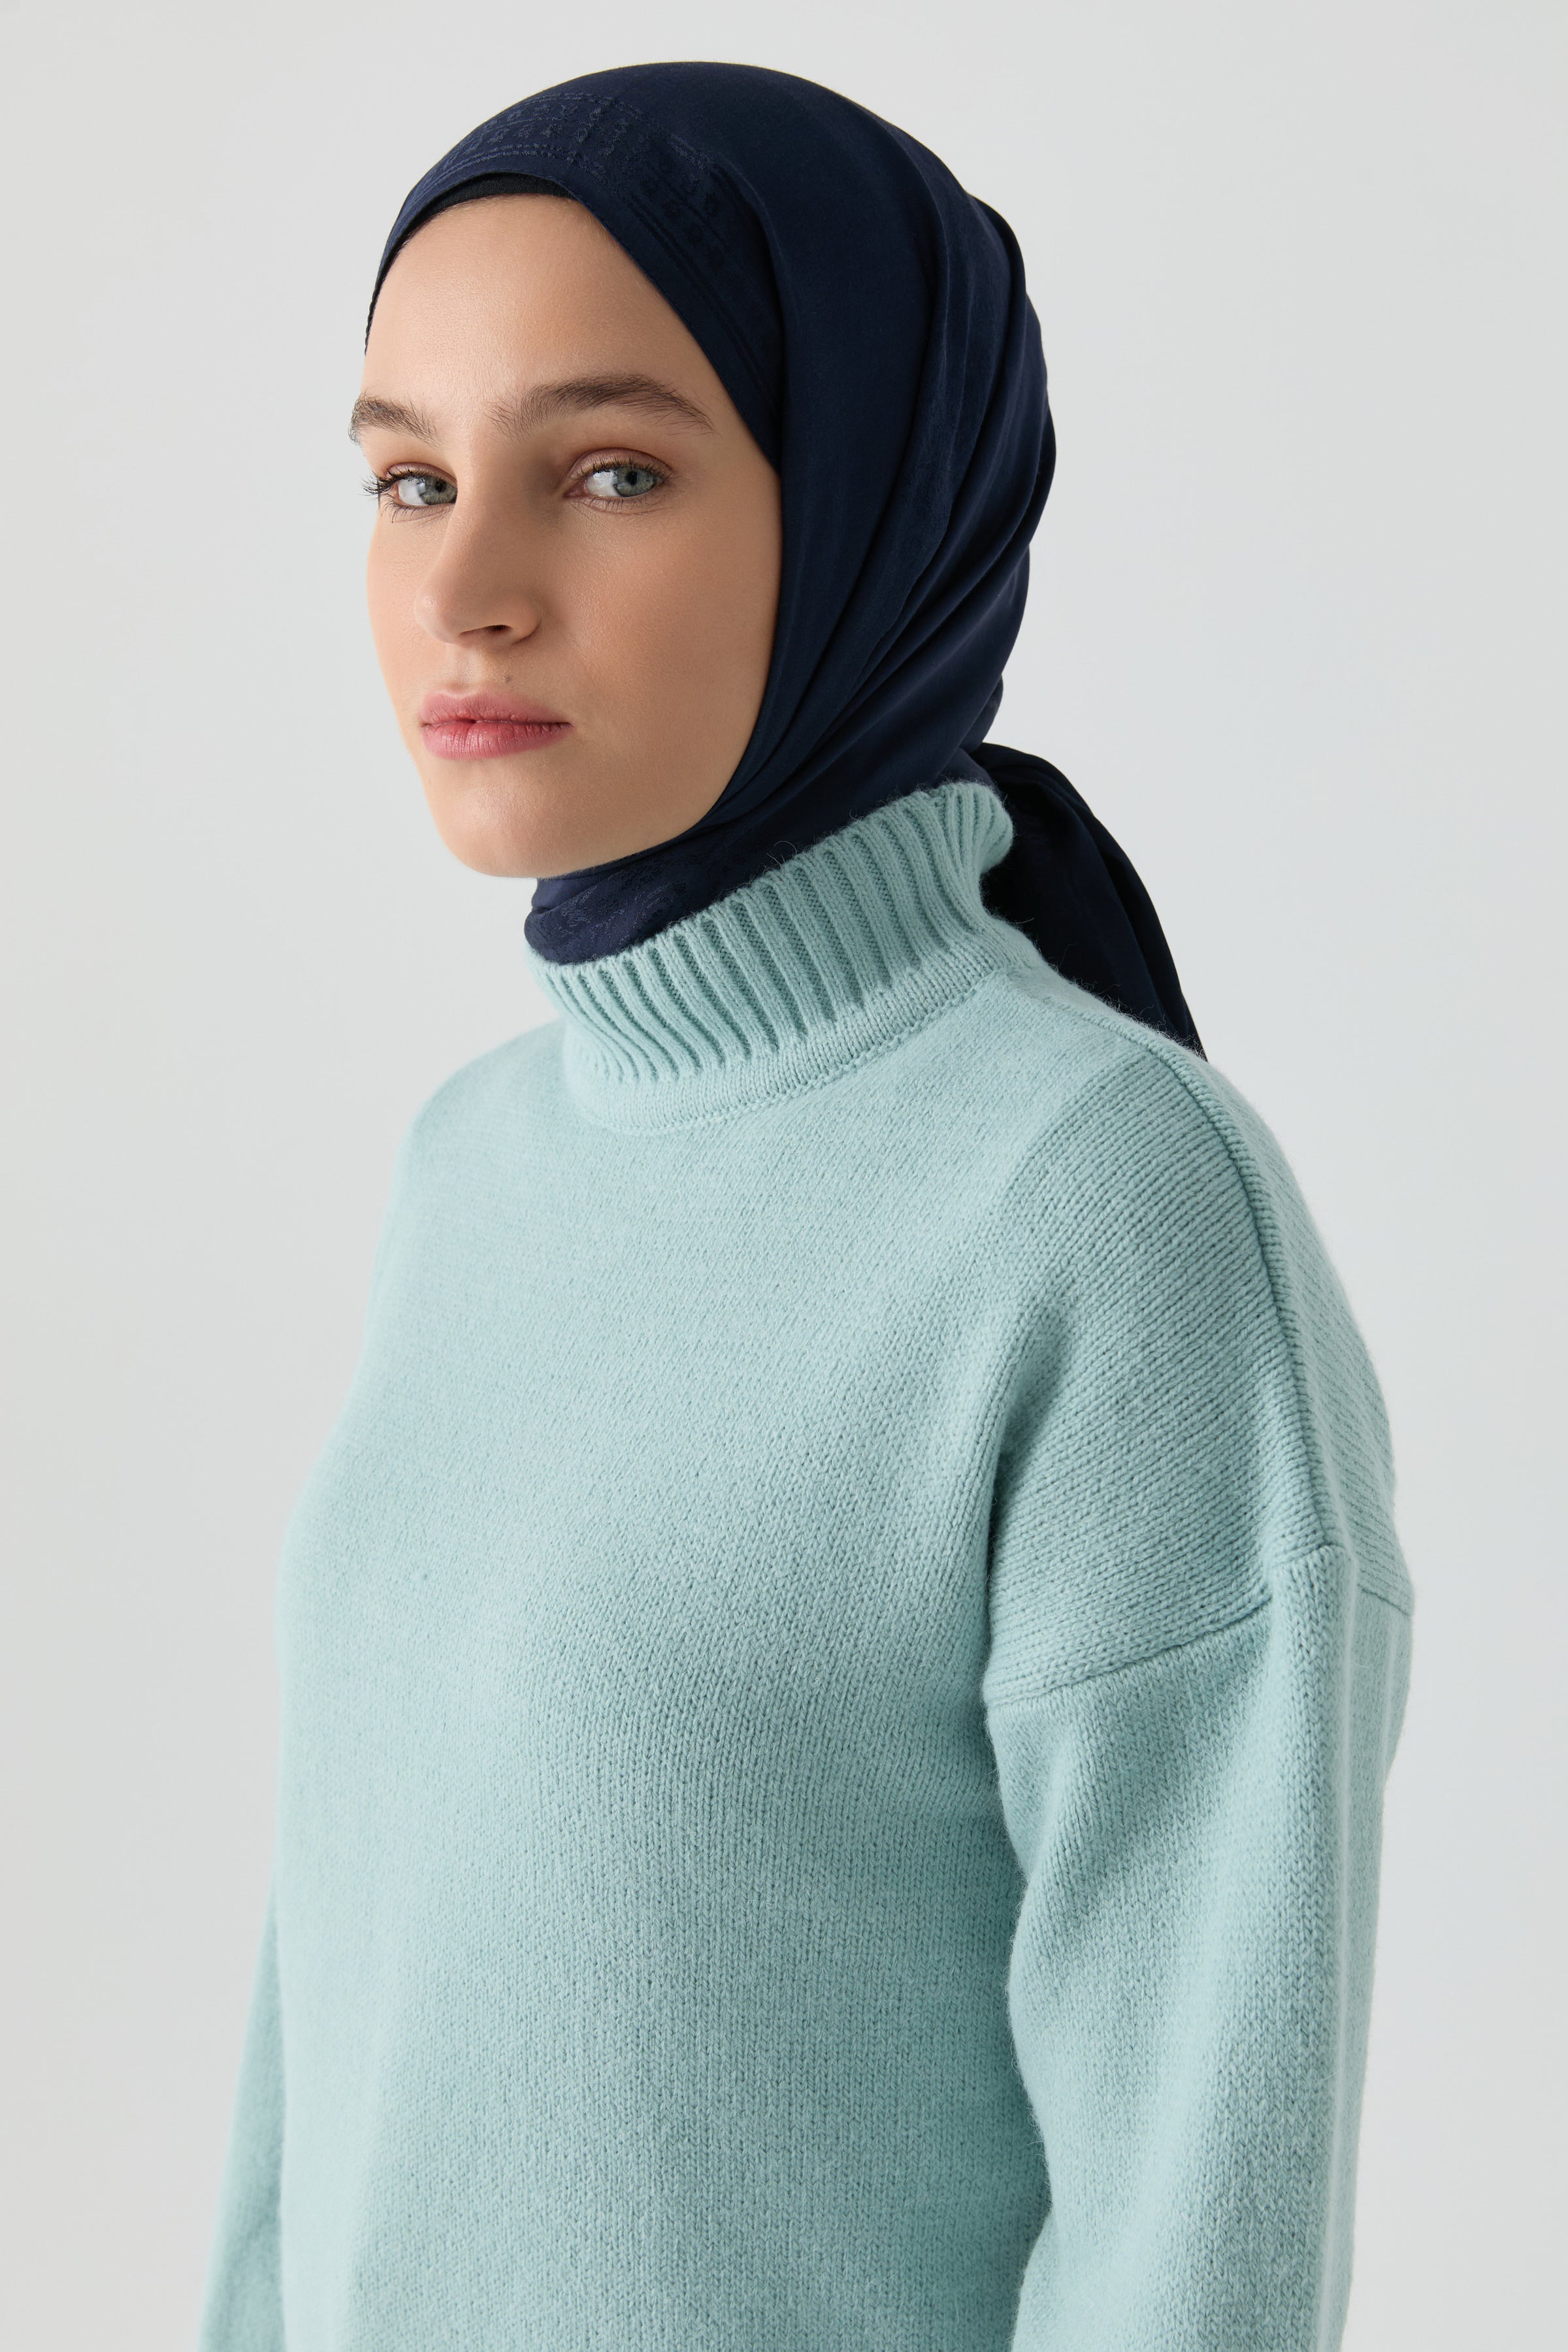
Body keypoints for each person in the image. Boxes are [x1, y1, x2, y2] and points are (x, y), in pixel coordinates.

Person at [199, 61, 1412, 2352]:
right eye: (411, 480)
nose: (464, 590)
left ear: (872, 505)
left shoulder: (1107, 1208)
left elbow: (1191, 2238)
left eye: (610, 473)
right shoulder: (471, 1167)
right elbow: (338, 2030)